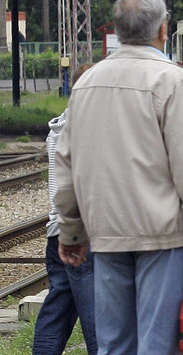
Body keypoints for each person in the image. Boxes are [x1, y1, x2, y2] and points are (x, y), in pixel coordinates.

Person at [54, 0, 183, 353]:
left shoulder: (86, 83)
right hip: (162, 234)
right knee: (156, 343)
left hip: (107, 231)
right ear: (163, 30)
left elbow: (66, 163)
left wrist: (71, 229)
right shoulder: (172, 80)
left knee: (113, 343)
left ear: (117, 30)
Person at [33, 63, 97, 355]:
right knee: (96, 317)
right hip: (78, 233)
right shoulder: (89, 127)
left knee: (57, 311)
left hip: (54, 231)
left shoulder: (57, 126)